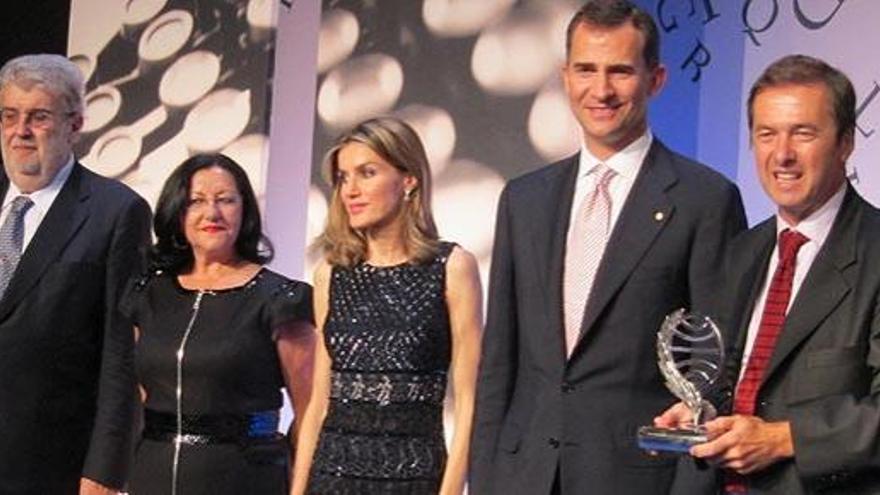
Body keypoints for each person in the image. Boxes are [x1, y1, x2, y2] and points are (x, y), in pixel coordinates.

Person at [469, 1, 747, 494]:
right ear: (565, 76)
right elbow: (499, 365)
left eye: (620, 71)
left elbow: (717, 365)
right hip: (524, 477)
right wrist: (488, 480)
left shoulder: (706, 199)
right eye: (586, 70)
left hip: (638, 479)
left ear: (656, 78)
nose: (601, 90)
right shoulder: (524, 199)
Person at [655, 55, 880, 494]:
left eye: (803, 133)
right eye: (767, 134)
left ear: (846, 142)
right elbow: (734, 382)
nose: (783, 155)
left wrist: (784, 438)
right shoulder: (742, 252)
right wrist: (701, 416)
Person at [290, 116, 482, 494]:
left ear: (408, 179)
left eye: (367, 173)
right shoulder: (331, 273)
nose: (351, 191)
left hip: (414, 478)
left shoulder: (452, 267)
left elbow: (470, 403)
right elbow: (318, 405)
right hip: (332, 477)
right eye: (344, 177)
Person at [0, 54, 151, 494]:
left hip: (51, 466)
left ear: (75, 124)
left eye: (39, 117)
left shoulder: (115, 212)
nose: (20, 131)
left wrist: (106, 471)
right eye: (9, 115)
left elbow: (122, 355)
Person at [123, 153, 315, 494]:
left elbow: (312, 411)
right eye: (196, 201)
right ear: (178, 211)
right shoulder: (147, 294)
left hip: (246, 477)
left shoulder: (281, 298)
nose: (211, 213)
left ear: (245, 210)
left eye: (225, 200)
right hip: (152, 472)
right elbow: (140, 395)